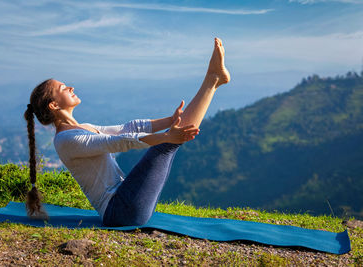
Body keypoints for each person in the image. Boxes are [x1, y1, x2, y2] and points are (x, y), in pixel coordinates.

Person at [24, 37, 230, 226]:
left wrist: (170, 120)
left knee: (168, 141)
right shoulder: (66, 141)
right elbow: (120, 142)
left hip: (124, 202)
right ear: (53, 105)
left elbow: (127, 128)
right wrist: (166, 136)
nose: (70, 87)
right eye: (62, 88)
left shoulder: (81, 128)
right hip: (120, 212)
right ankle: (212, 80)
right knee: (165, 146)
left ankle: (214, 80)